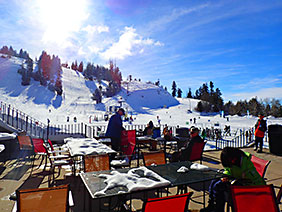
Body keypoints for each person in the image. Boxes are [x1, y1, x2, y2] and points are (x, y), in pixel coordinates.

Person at [201, 147, 266, 212]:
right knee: (214, 181)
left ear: (233, 158)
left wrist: (234, 180)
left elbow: (252, 180)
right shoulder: (233, 161)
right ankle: (211, 204)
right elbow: (228, 169)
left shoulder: (246, 164)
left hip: (250, 187)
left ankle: (218, 209)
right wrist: (225, 176)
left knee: (218, 186)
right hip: (236, 179)